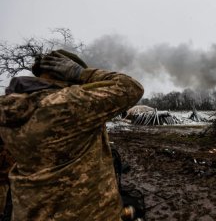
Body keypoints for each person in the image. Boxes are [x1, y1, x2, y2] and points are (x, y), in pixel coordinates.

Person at [0, 50, 144, 220]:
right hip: (87, 213)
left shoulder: (8, 110)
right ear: (64, 72)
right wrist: (82, 73)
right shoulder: (69, 104)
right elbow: (131, 87)